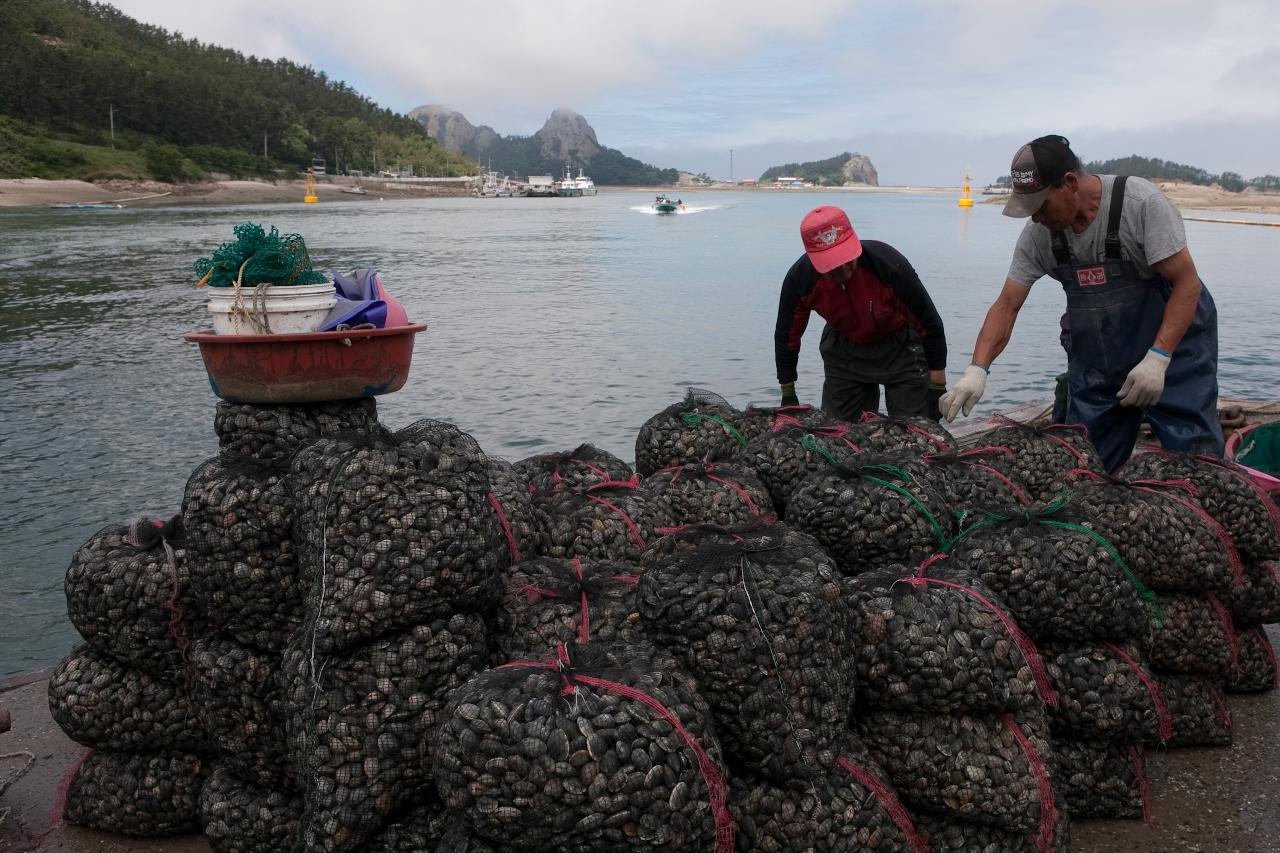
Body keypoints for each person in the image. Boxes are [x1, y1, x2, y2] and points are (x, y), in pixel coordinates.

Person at [939, 135, 1223, 470]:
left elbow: (1186, 284)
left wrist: (1159, 358)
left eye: (1040, 206)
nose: (1035, 218)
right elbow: (1006, 305)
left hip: (1174, 354)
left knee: (1195, 463)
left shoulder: (1139, 204)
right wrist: (977, 370)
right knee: (1086, 466)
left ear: (1070, 182)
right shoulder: (1039, 236)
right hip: (1098, 362)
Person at [774, 205, 948, 421]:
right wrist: (788, 392)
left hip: (901, 349)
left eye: (846, 259)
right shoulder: (800, 280)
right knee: (840, 434)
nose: (843, 270)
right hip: (845, 351)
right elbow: (787, 336)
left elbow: (929, 323)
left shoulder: (888, 265)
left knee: (915, 430)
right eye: (832, 265)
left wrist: (937, 381)